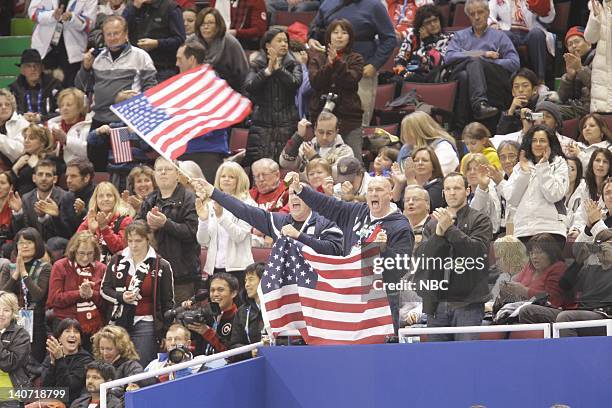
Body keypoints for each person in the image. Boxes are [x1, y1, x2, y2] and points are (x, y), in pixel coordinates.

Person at [290, 173, 414, 331]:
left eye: (379, 190)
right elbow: (327, 204)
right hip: (350, 294)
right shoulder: (356, 212)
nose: (374, 193)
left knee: (380, 350)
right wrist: (301, 190)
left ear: (390, 195)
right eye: (370, 190)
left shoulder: (400, 226)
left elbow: (400, 268)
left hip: (380, 299)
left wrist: (383, 250)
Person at [415, 172, 492, 341]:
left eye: (457, 188)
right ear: (443, 193)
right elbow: (423, 259)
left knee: (467, 358)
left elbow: (478, 253)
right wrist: (438, 235)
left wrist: (450, 229)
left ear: (467, 190)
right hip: (436, 303)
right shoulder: (432, 223)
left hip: (468, 303)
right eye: (448, 189)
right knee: (437, 361)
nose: (452, 192)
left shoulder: (480, 220)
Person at [192, 174, 344, 255]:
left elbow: (333, 250)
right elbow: (244, 210)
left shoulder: (327, 222)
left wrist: (299, 236)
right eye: (291, 194)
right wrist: (214, 192)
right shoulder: (278, 221)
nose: (295, 197)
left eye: (299, 193)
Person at [307, 0, 396, 127]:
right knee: (325, 124)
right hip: (329, 72)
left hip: (361, 72)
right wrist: (312, 38)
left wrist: (375, 64)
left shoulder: (375, 5)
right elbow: (316, 27)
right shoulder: (328, 3)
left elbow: (389, 38)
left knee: (359, 123)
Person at [101, 220, 175, 367]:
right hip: (120, 321)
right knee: (117, 365)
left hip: (146, 321)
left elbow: (168, 302)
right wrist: (121, 297)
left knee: (141, 366)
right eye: (130, 241)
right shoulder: (117, 260)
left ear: (148, 239)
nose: (134, 245)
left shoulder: (161, 265)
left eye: (138, 241)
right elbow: (104, 289)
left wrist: (166, 331)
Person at [520, 229, 612, 336]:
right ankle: (546, 350)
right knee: (527, 311)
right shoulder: (591, 270)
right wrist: (578, 262)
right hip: (581, 312)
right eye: (599, 247)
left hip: (604, 315)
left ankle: (568, 352)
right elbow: (564, 285)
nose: (603, 251)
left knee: (565, 318)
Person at [75, 15, 157, 129]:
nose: (112, 38)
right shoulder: (96, 57)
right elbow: (79, 86)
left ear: (125, 34)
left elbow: (151, 89)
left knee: (122, 147)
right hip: (98, 119)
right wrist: (85, 68)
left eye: (116, 33)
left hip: (127, 121)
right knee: (93, 146)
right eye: (108, 34)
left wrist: (140, 117)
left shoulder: (141, 56)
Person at [445, 0, 519, 124]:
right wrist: (480, 54)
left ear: (488, 12)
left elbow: (514, 62)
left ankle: (461, 123)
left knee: (470, 70)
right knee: (472, 63)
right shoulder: (460, 36)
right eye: (472, 14)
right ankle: (479, 104)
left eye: (480, 12)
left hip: (491, 75)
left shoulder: (499, 36)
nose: (477, 17)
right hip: (461, 71)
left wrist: (486, 64)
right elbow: (449, 57)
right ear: (468, 17)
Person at [137, 157, 199, 303]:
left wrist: (166, 223)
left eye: (168, 169)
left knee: (180, 322)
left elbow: (193, 232)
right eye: (159, 170)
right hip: (152, 273)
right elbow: (136, 227)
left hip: (182, 276)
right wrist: (147, 225)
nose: (163, 173)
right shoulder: (150, 199)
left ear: (178, 174)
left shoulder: (190, 199)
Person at [174, 41, 233, 181]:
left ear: (192, 59)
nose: (176, 64)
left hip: (207, 152)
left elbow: (222, 119)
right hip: (183, 150)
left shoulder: (214, 85)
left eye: (180, 59)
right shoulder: (178, 85)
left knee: (207, 198)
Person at [244, 27, 302, 165]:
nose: (284, 44)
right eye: (279, 41)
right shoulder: (257, 65)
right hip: (262, 126)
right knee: (260, 169)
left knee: (286, 169)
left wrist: (279, 69)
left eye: (286, 41)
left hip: (287, 124)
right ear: (268, 45)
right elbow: (249, 86)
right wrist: (268, 71)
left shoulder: (293, 64)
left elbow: (295, 83)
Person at [307, 19, 364, 158]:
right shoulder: (317, 59)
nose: (339, 36)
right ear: (329, 36)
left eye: (344, 33)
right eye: (335, 32)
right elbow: (315, 82)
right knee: (318, 161)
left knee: (354, 162)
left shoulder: (356, 58)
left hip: (349, 118)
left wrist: (337, 62)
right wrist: (329, 65)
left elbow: (351, 80)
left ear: (349, 37)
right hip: (322, 117)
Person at [507, 125, 568, 248]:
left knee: (547, 267)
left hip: (551, 229)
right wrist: (524, 173)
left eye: (542, 140)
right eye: (534, 140)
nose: (538, 144)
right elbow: (512, 199)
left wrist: (543, 166)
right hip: (523, 230)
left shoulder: (560, 163)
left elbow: (554, 195)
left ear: (550, 143)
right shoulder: (520, 166)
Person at [196, 162, 256, 286]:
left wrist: (221, 217)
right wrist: (203, 220)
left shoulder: (248, 205)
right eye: (223, 176)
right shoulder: (211, 203)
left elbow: (239, 236)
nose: (226, 179)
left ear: (239, 180)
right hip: (214, 269)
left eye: (231, 177)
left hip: (238, 270)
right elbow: (203, 241)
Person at [0, 228, 52, 362]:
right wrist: (16, 273)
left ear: (37, 244)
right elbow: (2, 295)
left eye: (29, 242)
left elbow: (39, 295)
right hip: (11, 322)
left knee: (34, 362)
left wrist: (24, 273)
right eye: (20, 242)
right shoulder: (8, 267)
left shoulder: (44, 267)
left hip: (36, 322)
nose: (24, 246)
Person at [46, 231, 106, 343]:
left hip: (95, 328)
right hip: (65, 325)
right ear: (73, 251)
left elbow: (106, 303)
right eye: (81, 253)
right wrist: (79, 294)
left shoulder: (101, 268)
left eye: (90, 253)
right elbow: (53, 299)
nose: (85, 258)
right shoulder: (60, 266)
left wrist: (92, 294)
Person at [28, 0, 97, 87]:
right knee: (44, 89)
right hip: (46, 49)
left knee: (71, 90)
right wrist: (51, 15)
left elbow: (90, 23)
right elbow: (33, 12)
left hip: (73, 50)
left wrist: (72, 18)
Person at [86, 89, 154, 176]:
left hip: (139, 172)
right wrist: (98, 131)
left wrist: (134, 133)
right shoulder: (114, 127)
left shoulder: (144, 129)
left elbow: (147, 148)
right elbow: (91, 140)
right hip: (116, 172)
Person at [488, 0, 555, 82]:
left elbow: (548, 19)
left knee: (537, 34)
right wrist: (492, 23)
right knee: (505, 36)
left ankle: (540, 80)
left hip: (529, 31)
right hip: (508, 31)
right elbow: (489, 14)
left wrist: (543, 9)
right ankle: (511, 81)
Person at [123, 0, 186, 82]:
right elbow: (120, 29)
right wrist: (134, 8)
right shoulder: (132, 6)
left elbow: (180, 39)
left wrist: (157, 43)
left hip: (162, 67)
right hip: (135, 66)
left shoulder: (171, 7)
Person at [189, 8, 249, 92]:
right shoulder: (191, 41)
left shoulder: (230, 42)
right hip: (197, 87)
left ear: (218, 25)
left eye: (210, 23)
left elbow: (243, 73)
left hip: (228, 88)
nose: (206, 27)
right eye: (202, 24)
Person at [501, 233, 567, 308]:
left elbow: (553, 299)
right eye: (531, 253)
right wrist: (509, 287)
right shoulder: (529, 266)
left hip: (543, 309)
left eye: (539, 252)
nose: (534, 257)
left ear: (551, 253)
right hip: (520, 305)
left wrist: (525, 291)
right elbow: (515, 282)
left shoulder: (558, 267)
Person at [10, 159, 68, 244]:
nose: (43, 178)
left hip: (55, 243)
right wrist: (18, 213)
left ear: (55, 179)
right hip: (33, 244)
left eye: (48, 175)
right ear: (34, 178)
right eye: (40, 174)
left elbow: (65, 233)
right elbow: (22, 232)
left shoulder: (64, 197)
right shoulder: (26, 198)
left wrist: (47, 218)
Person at [280, 112, 355, 176]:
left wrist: (314, 157)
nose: (324, 137)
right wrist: (298, 137)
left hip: (329, 191)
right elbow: (285, 163)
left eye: (329, 133)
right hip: (303, 189)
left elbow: (337, 176)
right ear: (315, 131)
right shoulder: (307, 147)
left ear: (336, 132)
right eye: (321, 132)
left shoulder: (345, 151)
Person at [393, 4, 454, 83]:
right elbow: (401, 58)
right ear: (421, 26)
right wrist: (402, 70)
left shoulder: (448, 38)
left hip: (432, 78)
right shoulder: (413, 36)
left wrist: (427, 41)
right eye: (428, 22)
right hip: (409, 75)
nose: (433, 24)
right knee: (395, 80)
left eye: (435, 20)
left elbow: (436, 64)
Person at [41, 318, 94, 406]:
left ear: (80, 340)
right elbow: (45, 388)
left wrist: (60, 359)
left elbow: (67, 389)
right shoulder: (49, 358)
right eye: (67, 331)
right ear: (59, 338)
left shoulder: (86, 360)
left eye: (76, 332)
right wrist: (53, 364)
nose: (72, 335)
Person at [77, 182, 133, 264]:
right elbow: (75, 247)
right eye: (101, 196)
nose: (105, 199)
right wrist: (90, 231)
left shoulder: (125, 220)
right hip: (91, 267)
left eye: (109, 195)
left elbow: (121, 248)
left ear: (115, 199)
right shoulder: (90, 219)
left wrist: (104, 228)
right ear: (96, 200)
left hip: (115, 268)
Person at [183, 273, 238, 357]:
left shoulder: (239, 318)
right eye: (212, 290)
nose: (215, 294)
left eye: (220, 290)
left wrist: (208, 333)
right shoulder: (206, 315)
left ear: (233, 293)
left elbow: (233, 354)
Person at [9, 49, 63, 123]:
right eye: (28, 66)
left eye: (36, 65)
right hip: (23, 126)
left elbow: (62, 111)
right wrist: (22, 117)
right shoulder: (15, 89)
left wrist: (42, 118)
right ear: (22, 70)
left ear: (42, 68)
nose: (33, 69)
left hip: (50, 125)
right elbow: (11, 113)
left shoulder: (54, 85)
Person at [398, 111, 459, 177]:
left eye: (408, 131)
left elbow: (438, 174)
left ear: (421, 131)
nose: (405, 135)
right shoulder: (406, 148)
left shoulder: (443, 146)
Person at [11, 125, 61, 197]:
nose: (26, 141)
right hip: (18, 199)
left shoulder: (52, 160)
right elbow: (10, 184)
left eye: (31, 138)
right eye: (25, 137)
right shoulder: (22, 158)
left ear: (42, 142)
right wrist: (15, 168)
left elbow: (47, 184)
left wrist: (33, 165)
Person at [391, 146, 444, 211]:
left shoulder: (438, 184)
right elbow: (395, 205)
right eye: (416, 160)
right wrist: (399, 184)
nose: (420, 163)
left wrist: (411, 180)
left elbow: (424, 208)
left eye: (425, 160)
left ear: (433, 165)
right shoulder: (406, 182)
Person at [558, 26, 595, 119]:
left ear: (589, 43)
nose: (574, 46)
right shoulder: (571, 63)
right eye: (570, 44)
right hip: (576, 107)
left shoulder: (598, 59)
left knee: (552, 112)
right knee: (546, 108)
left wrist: (580, 69)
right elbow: (562, 98)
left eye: (577, 42)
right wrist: (569, 77)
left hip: (592, 108)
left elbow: (599, 87)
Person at [229, 262, 264, 361]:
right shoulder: (242, 312)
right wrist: (250, 353)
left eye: (251, 279)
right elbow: (234, 345)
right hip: (251, 363)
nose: (247, 285)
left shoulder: (277, 308)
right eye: (245, 281)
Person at [495, 68, 547, 135]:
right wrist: (511, 111)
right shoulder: (513, 111)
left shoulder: (544, 103)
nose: (520, 90)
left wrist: (526, 115)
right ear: (513, 92)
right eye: (516, 87)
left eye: (525, 86)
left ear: (535, 89)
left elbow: (545, 118)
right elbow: (500, 135)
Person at [46, 87, 90, 164]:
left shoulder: (88, 125)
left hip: (78, 167)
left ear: (80, 107)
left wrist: (66, 140)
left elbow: (88, 152)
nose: (64, 108)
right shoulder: (52, 124)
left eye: (69, 105)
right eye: (62, 105)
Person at [461, 153, 502, 234]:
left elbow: (476, 213)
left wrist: (482, 187)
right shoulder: (464, 192)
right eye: (469, 169)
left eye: (476, 169)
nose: (472, 172)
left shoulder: (491, 191)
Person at [0, 291, 31, 396]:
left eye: (6, 310)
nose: (1, 314)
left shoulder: (21, 335)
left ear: (13, 313)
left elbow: (9, 364)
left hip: (11, 394)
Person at [585, 0, 612, 113]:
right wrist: (595, 16)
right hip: (602, 68)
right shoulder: (598, 5)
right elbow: (590, 38)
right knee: (602, 115)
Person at [60, 159, 96, 238]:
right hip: (71, 241)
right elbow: (65, 233)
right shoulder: (67, 198)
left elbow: (98, 230)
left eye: (73, 176)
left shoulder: (99, 195)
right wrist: (55, 216)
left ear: (86, 178)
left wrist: (82, 213)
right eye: (67, 176)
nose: (68, 180)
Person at [0, 89, 29, 168]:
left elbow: (19, 152)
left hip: (15, 169)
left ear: (12, 106)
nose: (4, 107)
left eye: (7, 104)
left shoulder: (22, 123)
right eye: (0, 105)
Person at [565, 157, 587, 236]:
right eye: (565, 168)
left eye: (572, 169)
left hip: (577, 232)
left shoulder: (584, 190)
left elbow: (581, 216)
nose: (568, 172)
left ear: (578, 172)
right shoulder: (556, 190)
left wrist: (576, 229)